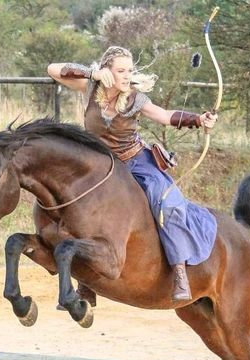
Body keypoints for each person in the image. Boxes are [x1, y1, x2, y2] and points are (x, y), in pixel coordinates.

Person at [47, 46, 218, 302]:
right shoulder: (92, 88)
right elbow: (53, 69)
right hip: (98, 165)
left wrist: (198, 120)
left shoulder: (136, 98)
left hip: (135, 162)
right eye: (120, 71)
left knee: (167, 202)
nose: (127, 76)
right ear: (107, 71)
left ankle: (180, 270)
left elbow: (164, 115)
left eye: (129, 70)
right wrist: (92, 73)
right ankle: (85, 282)